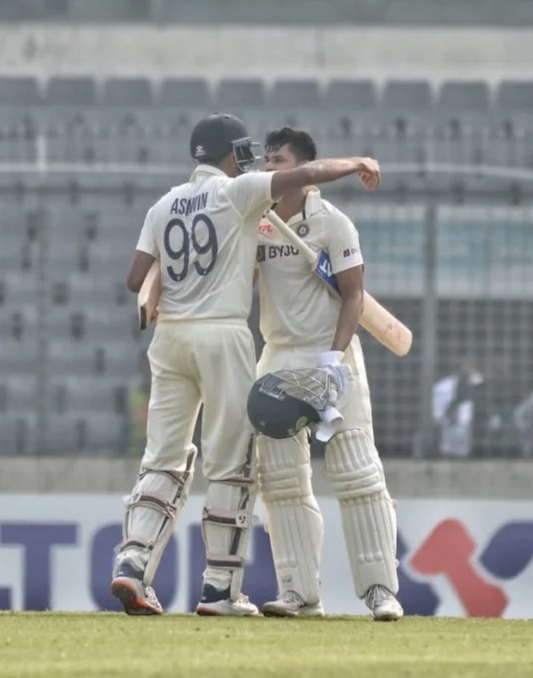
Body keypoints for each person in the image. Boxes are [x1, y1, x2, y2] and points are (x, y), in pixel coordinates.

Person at [111, 114, 381, 617]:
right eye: (242, 152)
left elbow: (135, 281)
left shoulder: (162, 204)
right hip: (222, 335)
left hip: (169, 339)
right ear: (230, 153)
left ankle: (132, 563)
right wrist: (359, 163)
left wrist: (166, 291)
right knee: (232, 463)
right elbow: (307, 176)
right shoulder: (237, 192)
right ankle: (220, 590)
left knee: (163, 458)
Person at [250, 127, 403, 621]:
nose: (268, 166)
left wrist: (335, 361)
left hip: (331, 358)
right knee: (281, 480)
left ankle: (380, 589)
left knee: (357, 471)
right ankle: (298, 591)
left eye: (278, 159)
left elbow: (355, 295)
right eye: (267, 158)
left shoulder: (334, 223)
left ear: (303, 169)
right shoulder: (257, 220)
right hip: (279, 356)